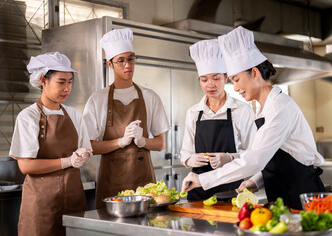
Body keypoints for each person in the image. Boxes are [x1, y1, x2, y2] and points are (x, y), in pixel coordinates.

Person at [181, 26, 325, 209]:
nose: (235, 87)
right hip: (282, 195)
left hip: (302, 196)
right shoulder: (263, 109)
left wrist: (202, 179)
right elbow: (273, 157)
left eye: (236, 79)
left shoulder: (280, 107)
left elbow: (253, 160)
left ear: (254, 73)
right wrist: (256, 181)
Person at [83, 28, 170, 208]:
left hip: (145, 188)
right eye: (120, 61)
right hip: (110, 187)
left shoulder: (150, 97)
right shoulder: (97, 99)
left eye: (131, 59)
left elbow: (161, 144)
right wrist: (120, 142)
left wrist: (142, 141)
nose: (127, 65)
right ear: (110, 64)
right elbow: (88, 146)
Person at [9, 52, 92, 236]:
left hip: (73, 201)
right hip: (41, 205)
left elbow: (86, 150)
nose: (67, 88)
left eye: (70, 82)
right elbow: (25, 165)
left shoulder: (74, 114)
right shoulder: (28, 117)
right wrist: (67, 162)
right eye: (61, 82)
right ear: (43, 81)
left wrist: (83, 156)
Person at [180, 39, 256, 201]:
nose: (210, 85)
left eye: (216, 78)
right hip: (197, 190)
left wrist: (229, 157)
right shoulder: (193, 112)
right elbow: (185, 152)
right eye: (204, 79)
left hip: (231, 190)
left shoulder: (243, 110)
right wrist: (189, 159)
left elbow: (254, 154)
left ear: (226, 77)